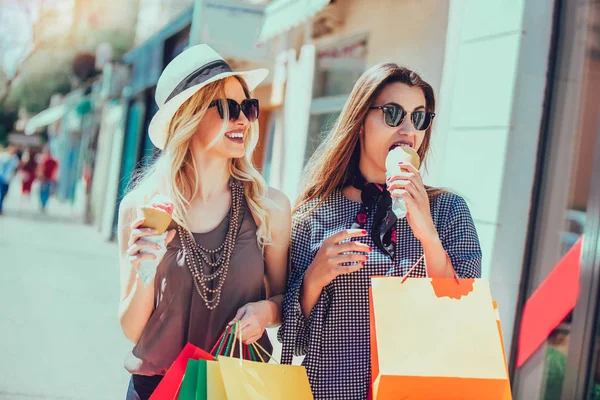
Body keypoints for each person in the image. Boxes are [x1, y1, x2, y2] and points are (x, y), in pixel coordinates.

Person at [278, 63, 483, 399]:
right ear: (360, 123)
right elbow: (292, 340)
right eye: (392, 113)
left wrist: (428, 235)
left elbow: (463, 316)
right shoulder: (311, 215)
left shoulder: (448, 211)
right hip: (328, 390)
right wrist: (314, 278)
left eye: (418, 117)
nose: (407, 130)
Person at [118, 44, 291, 400]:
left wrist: (265, 310)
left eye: (248, 107)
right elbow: (134, 331)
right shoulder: (142, 207)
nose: (243, 120)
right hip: (157, 389)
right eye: (229, 109)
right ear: (189, 117)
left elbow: (284, 299)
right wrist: (145, 271)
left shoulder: (268, 207)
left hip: (237, 386)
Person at [37, 146, 58, 212]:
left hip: (44, 179)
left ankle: (43, 204)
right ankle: (44, 204)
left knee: (42, 192)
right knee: (47, 192)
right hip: (50, 179)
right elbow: (56, 171)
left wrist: (40, 176)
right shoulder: (54, 161)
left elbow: (41, 168)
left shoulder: (44, 160)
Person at [0, 145, 20, 215]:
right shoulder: (3, 156)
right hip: (1, 177)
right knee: (0, 194)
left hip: (8, 179)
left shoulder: (15, 158)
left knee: (4, 194)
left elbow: (15, 168)